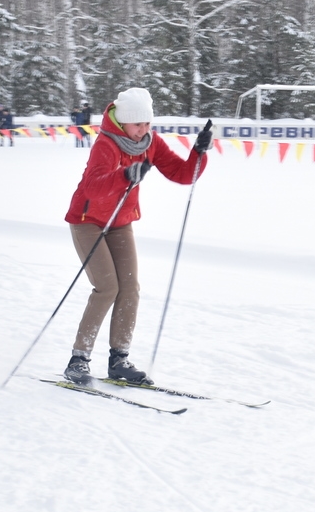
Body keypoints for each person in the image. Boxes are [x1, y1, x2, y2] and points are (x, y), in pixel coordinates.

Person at [62, 88, 211, 386]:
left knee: (129, 288)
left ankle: (119, 360)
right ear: (122, 121)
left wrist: (199, 151)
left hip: (120, 220)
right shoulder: (106, 144)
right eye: (137, 124)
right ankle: (78, 360)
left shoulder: (149, 142)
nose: (143, 130)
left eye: (147, 123)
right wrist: (125, 175)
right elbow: (92, 187)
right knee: (107, 287)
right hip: (87, 221)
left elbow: (183, 174)